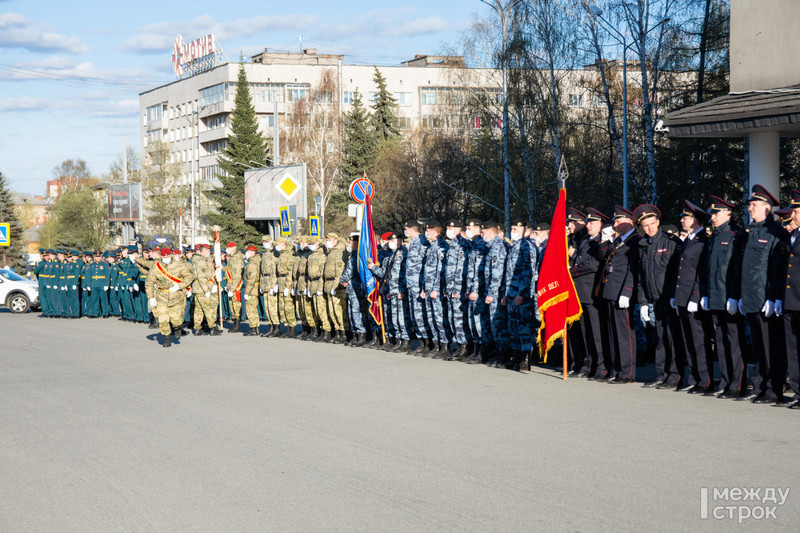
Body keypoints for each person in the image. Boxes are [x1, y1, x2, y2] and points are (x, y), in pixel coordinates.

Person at [738, 185, 789, 404]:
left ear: (767, 209)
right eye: (749, 205)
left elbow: (777, 270)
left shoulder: (776, 232)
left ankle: (773, 388)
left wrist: (772, 297)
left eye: (754, 205)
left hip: (765, 299)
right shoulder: (752, 231)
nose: (750, 209)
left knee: (771, 348)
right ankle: (759, 386)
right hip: (750, 298)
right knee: (759, 347)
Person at [633, 204, 683, 389]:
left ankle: (675, 375)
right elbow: (641, 276)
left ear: (658, 222)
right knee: (661, 339)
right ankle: (661, 374)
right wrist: (643, 301)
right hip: (655, 299)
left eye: (652, 223)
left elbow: (678, 273)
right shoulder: (642, 245)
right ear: (641, 227)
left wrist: (675, 296)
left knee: (672, 338)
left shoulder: (671, 242)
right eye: (646, 225)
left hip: (670, 298)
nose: (650, 228)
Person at [704, 196, 747, 398]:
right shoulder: (713, 237)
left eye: (716, 213)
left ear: (728, 214)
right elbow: (708, 270)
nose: (712, 217)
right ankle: (727, 380)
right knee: (721, 342)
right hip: (715, 296)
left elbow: (737, 270)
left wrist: (735, 296)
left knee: (734, 342)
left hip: (729, 297)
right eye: (712, 213)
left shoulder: (736, 235)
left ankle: (737, 384)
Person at [671, 201, 713, 394]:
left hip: (693, 297)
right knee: (689, 340)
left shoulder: (704, 239)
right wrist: (677, 295)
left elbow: (701, 271)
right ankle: (694, 377)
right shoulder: (690, 238)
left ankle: (705, 380)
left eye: (685, 217)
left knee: (699, 340)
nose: (682, 220)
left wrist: (696, 296)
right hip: (683, 296)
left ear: (695, 219)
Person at [596, 205, 640, 383]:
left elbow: (633, 268)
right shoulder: (617, 240)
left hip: (622, 292)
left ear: (629, 221)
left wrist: (626, 292)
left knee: (624, 334)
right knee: (613, 332)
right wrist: (604, 241)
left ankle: (627, 372)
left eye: (618, 220)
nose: (615, 224)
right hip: (610, 290)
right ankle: (617, 368)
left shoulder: (635, 240)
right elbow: (603, 258)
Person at [568, 208, 607, 378]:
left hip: (591, 293)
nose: (588, 225)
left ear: (601, 225)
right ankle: (587, 365)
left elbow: (593, 265)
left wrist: (572, 271)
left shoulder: (599, 242)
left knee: (596, 333)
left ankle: (600, 367)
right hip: (580, 293)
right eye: (588, 222)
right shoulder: (585, 241)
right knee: (585, 333)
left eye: (592, 222)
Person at [499, 220, 538, 371]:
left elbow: (528, 272)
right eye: (512, 228)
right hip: (511, 293)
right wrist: (505, 293)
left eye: (516, 229)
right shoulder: (515, 246)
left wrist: (522, 292)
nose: (512, 231)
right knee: (513, 326)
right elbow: (509, 273)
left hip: (522, 294)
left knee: (523, 327)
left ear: (524, 230)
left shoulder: (527, 247)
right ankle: (515, 357)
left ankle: (525, 358)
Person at [145, 248, 195, 347]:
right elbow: (149, 283)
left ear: (171, 255)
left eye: (168, 256)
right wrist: (151, 297)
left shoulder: (179, 265)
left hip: (176, 297)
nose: (166, 258)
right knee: (163, 319)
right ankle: (166, 338)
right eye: (164, 257)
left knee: (176, 319)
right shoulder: (156, 267)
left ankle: (177, 327)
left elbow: (190, 276)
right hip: (161, 297)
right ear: (161, 256)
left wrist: (179, 286)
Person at [780, 189, 800, 409]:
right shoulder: (793, 236)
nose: (792, 215)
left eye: (795, 211)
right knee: (793, 349)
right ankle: (797, 391)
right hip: (790, 300)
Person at [420, 221, 449, 357]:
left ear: (436, 232)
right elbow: (426, 270)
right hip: (428, 287)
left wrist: (436, 288)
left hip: (436, 289)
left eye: (429, 231)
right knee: (431, 318)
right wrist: (423, 288)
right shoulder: (431, 246)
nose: (427, 233)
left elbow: (441, 271)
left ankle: (445, 346)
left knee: (439, 318)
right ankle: (436, 344)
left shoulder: (442, 246)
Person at [481, 220, 508, 365]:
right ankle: (496, 353)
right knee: (493, 325)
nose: (481, 234)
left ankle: (502, 355)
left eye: (483, 232)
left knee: (497, 324)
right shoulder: (491, 247)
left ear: (490, 232)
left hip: (496, 293)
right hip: (492, 292)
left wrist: (491, 293)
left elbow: (497, 274)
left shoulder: (497, 247)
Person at [463, 219, 487, 364]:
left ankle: (482, 352)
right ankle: (476, 349)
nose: (467, 230)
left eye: (469, 228)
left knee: (479, 322)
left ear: (478, 229)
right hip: (471, 290)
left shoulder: (482, 246)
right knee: (473, 322)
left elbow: (480, 272)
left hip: (479, 291)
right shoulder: (473, 245)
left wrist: (476, 291)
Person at [403, 221, 429, 355]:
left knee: (420, 315)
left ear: (411, 229)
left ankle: (427, 343)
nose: (405, 231)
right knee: (414, 315)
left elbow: (425, 266)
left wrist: (423, 286)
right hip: (411, 285)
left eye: (406, 229)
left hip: (418, 285)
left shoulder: (422, 243)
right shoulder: (412, 243)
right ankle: (421, 342)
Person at [323, 233, 349, 343]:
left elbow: (339, 272)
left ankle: (344, 332)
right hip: (329, 284)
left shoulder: (338, 253)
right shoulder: (332, 252)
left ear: (335, 240)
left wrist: (335, 286)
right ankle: (337, 331)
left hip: (337, 285)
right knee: (332, 310)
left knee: (339, 311)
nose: (327, 241)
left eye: (329, 239)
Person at [340, 234, 366, 346]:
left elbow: (349, 271)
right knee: (351, 312)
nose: (349, 244)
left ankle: (361, 335)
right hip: (351, 288)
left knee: (356, 311)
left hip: (355, 288)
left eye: (351, 242)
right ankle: (355, 334)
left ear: (356, 243)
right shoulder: (353, 255)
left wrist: (342, 280)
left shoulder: (356, 256)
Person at [192, 244, 222, 336]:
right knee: (208, 308)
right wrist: (207, 290)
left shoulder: (196, 260)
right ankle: (213, 327)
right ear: (203, 251)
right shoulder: (201, 261)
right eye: (208, 251)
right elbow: (202, 277)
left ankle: (197, 328)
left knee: (199, 309)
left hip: (198, 288)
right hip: (202, 288)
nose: (209, 252)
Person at [275, 237, 298, 338]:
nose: (276, 246)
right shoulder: (282, 254)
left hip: (286, 283)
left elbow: (290, 272)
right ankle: (287, 328)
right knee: (282, 308)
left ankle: (292, 329)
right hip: (280, 282)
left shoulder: (289, 255)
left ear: (283, 244)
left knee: (288, 307)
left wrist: (287, 287)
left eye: (277, 244)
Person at [259, 235, 280, 337]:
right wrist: (261, 284)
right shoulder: (265, 254)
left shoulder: (275, 253)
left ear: (271, 241)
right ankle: (271, 327)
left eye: (267, 241)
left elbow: (276, 271)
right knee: (267, 307)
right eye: (263, 241)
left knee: (272, 307)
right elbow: (261, 271)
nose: (265, 243)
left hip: (271, 281)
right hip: (265, 282)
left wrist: (275, 284)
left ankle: (277, 328)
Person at [225, 242, 244, 332]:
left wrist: (232, 289)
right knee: (232, 306)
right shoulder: (232, 258)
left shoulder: (236, 259)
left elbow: (237, 276)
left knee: (236, 306)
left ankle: (237, 325)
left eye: (228, 248)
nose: (227, 249)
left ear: (233, 248)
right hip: (231, 285)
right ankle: (235, 324)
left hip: (235, 287)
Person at [242, 244, 262, 336]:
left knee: (250, 310)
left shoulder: (252, 264)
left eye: (248, 251)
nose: (247, 253)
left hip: (252, 289)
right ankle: (256, 328)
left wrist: (247, 292)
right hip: (255, 288)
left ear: (252, 252)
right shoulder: (256, 261)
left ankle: (253, 328)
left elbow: (251, 279)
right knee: (254, 309)